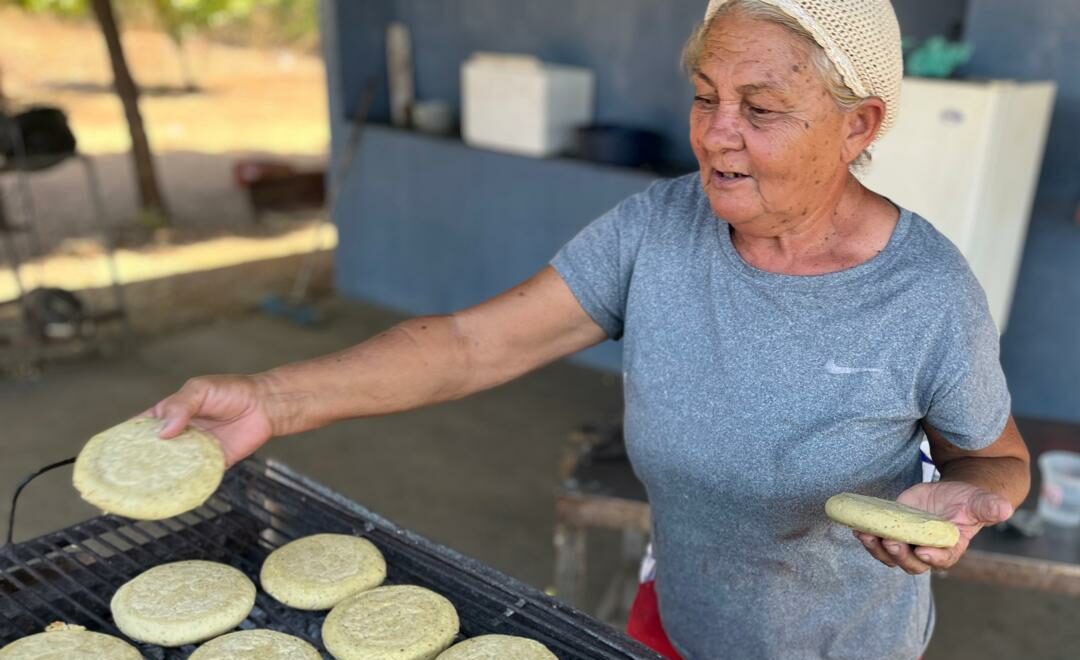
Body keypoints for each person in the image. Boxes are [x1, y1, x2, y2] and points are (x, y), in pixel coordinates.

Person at [148, 1, 1030, 658]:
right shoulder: (657, 230)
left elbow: (996, 460)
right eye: (704, 97)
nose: (716, 136)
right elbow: (470, 345)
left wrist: (963, 498)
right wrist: (272, 398)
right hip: (674, 619)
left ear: (859, 125)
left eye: (760, 110)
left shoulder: (924, 291)